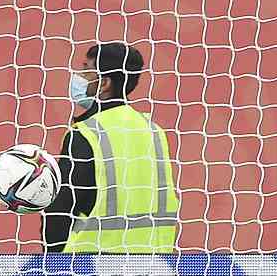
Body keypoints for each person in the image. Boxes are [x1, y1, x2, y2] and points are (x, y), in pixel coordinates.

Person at [43, 42, 179, 253]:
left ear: (104, 83)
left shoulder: (86, 134)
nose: (78, 77)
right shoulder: (155, 132)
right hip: (155, 265)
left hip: (92, 269)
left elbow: (60, 211)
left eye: (86, 71)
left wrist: (52, 265)